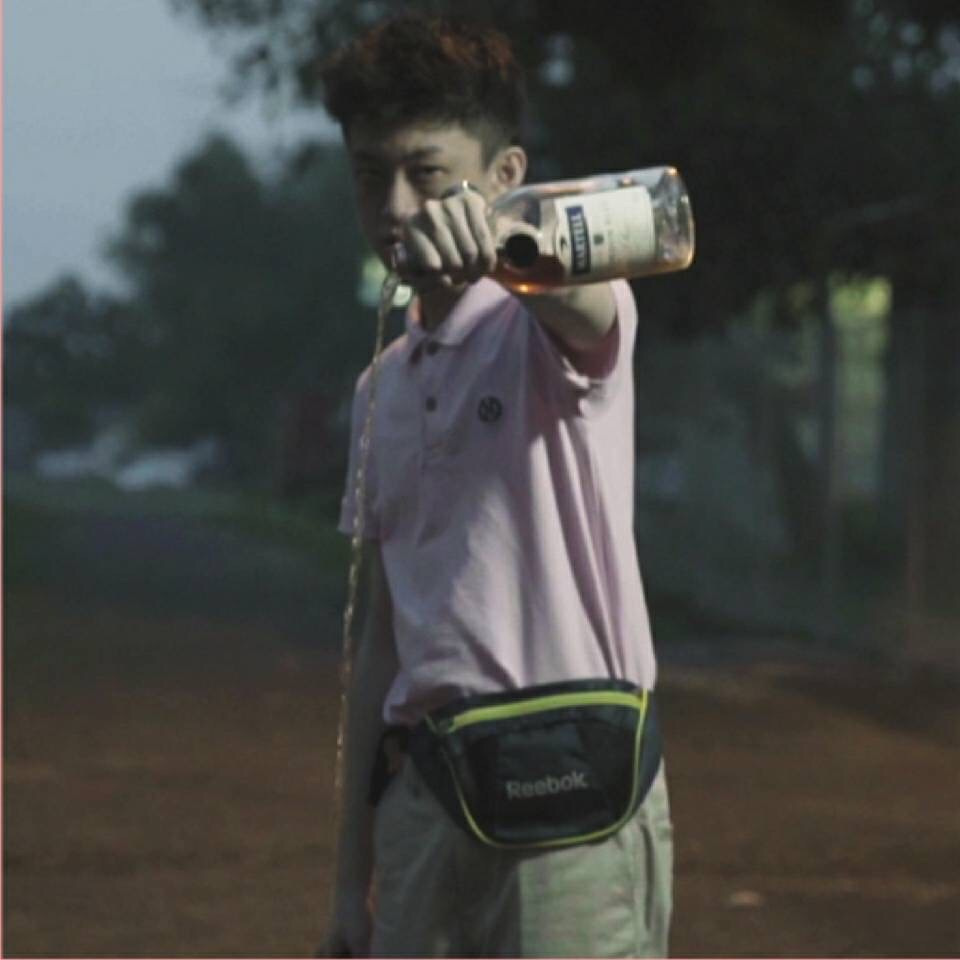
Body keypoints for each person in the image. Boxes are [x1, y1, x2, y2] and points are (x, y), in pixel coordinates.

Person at [319, 13, 673, 958]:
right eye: (370, 175)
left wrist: (506, 240)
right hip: (424, 804)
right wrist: (349, 885)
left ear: (505, 173)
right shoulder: (381, 388)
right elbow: (379, 643)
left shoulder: (548, 329)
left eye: (426, 172)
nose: (396, 206)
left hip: (576, 798)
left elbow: (586, 300)